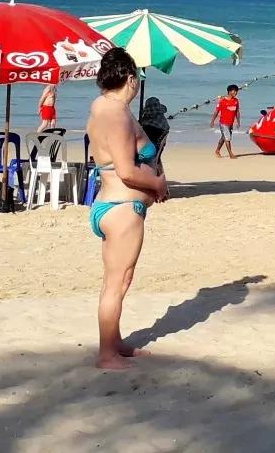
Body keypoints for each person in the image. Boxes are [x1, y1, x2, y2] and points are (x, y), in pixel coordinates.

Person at [86, 47, 169, 371]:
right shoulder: (117, 114)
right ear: (131, 79)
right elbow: (126, 170)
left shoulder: (100, 106)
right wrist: (158, 184)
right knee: (117, 283)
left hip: (110, 204)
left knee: (117, 280)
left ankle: (114, 342)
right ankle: (107, 354)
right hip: (123, 207)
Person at [210, 84, 241, 159]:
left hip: (231, 123)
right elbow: (216, 112)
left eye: (236, 91)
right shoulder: (222, 101)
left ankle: (217, 150)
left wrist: (238, 121)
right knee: (228, 138)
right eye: (235, 91)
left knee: (224, 138)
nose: (236, 93)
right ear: (230, 92)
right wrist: (212, 121)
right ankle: (231, 154)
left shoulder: (236, 101)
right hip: (223, 123)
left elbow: (237, 112)